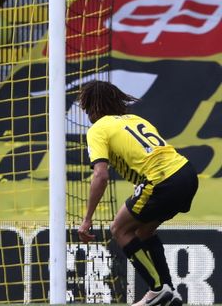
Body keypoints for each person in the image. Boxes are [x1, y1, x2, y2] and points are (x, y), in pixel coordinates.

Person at [76, 81, 197, 306]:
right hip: (186, 174)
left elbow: (100, 176)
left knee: (119, 228)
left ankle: (157, 288)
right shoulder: (136, 120)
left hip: (162, 180)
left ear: (93, 107)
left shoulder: (98, 129)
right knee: (143, 231)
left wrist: (87, 219)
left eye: (86, 107)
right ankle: (169, 292)